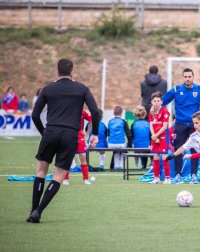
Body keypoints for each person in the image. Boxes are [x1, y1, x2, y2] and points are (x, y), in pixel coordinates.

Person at [26, 58, 99, 223]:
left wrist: (44, 132)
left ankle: (33, 210)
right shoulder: (82, 88)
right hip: (70, 135)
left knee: (41, 172)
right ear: (72, 72)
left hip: (51, 131)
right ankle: (39, 211)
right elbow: (95, 111)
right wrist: (94, 133)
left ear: (57, 72)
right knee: (58, 175)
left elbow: (35, 115)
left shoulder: (48, 88)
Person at [162, 68, 200, 184]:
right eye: (185, 77)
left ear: (193, 77)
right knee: (179, 150)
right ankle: (178, 175)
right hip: (180, 124)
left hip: (195, 125)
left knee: (195, 149)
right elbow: (163, 101)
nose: (187, 79)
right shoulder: (176, 89)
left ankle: (193, 175)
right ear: (183, 78)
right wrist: (154, 109)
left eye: (189, 76)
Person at [62, 109, 93, 185]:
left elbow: (92, 120)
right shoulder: (67, 109)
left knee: (83, 157)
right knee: (68, 157)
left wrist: (88, 132)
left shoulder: (82, 111)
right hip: (69, 135)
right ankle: (65, 179)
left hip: (80, 136)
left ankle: (85, 179)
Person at [148, 91, 171, 184]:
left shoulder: (165, 111)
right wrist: (153, 136)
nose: (156, 103)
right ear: (152, 102)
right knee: (156, 157)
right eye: (154, 101)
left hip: (163, 137)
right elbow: (151, 125)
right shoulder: (151, 112)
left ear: (161, 102)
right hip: (155, 137)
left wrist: (156, 136)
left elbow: (165, 126)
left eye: (158, 101)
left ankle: (167, 178)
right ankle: (156, 178)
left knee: (164, 157)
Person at [107, 106, 132, 170]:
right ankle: (120, 166)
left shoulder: (110, 121)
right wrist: (130, 145)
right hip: (121, 144)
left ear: (113, 113)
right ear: (121, 113)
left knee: (116, 151)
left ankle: (115, 166)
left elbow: (108, 133)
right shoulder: (123, 121)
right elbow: (128, 134)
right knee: (123, 148)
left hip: (110, 144)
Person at [130, 105, 151, 170]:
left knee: (137, 145)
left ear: (136, 115)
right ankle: (145, 165)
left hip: (136, 146)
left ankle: (136, 164)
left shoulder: (133, 124)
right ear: (144, 114)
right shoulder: (148, 123)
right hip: (146, 146)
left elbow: (131, 136)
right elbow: (150, 135)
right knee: (147, 146)